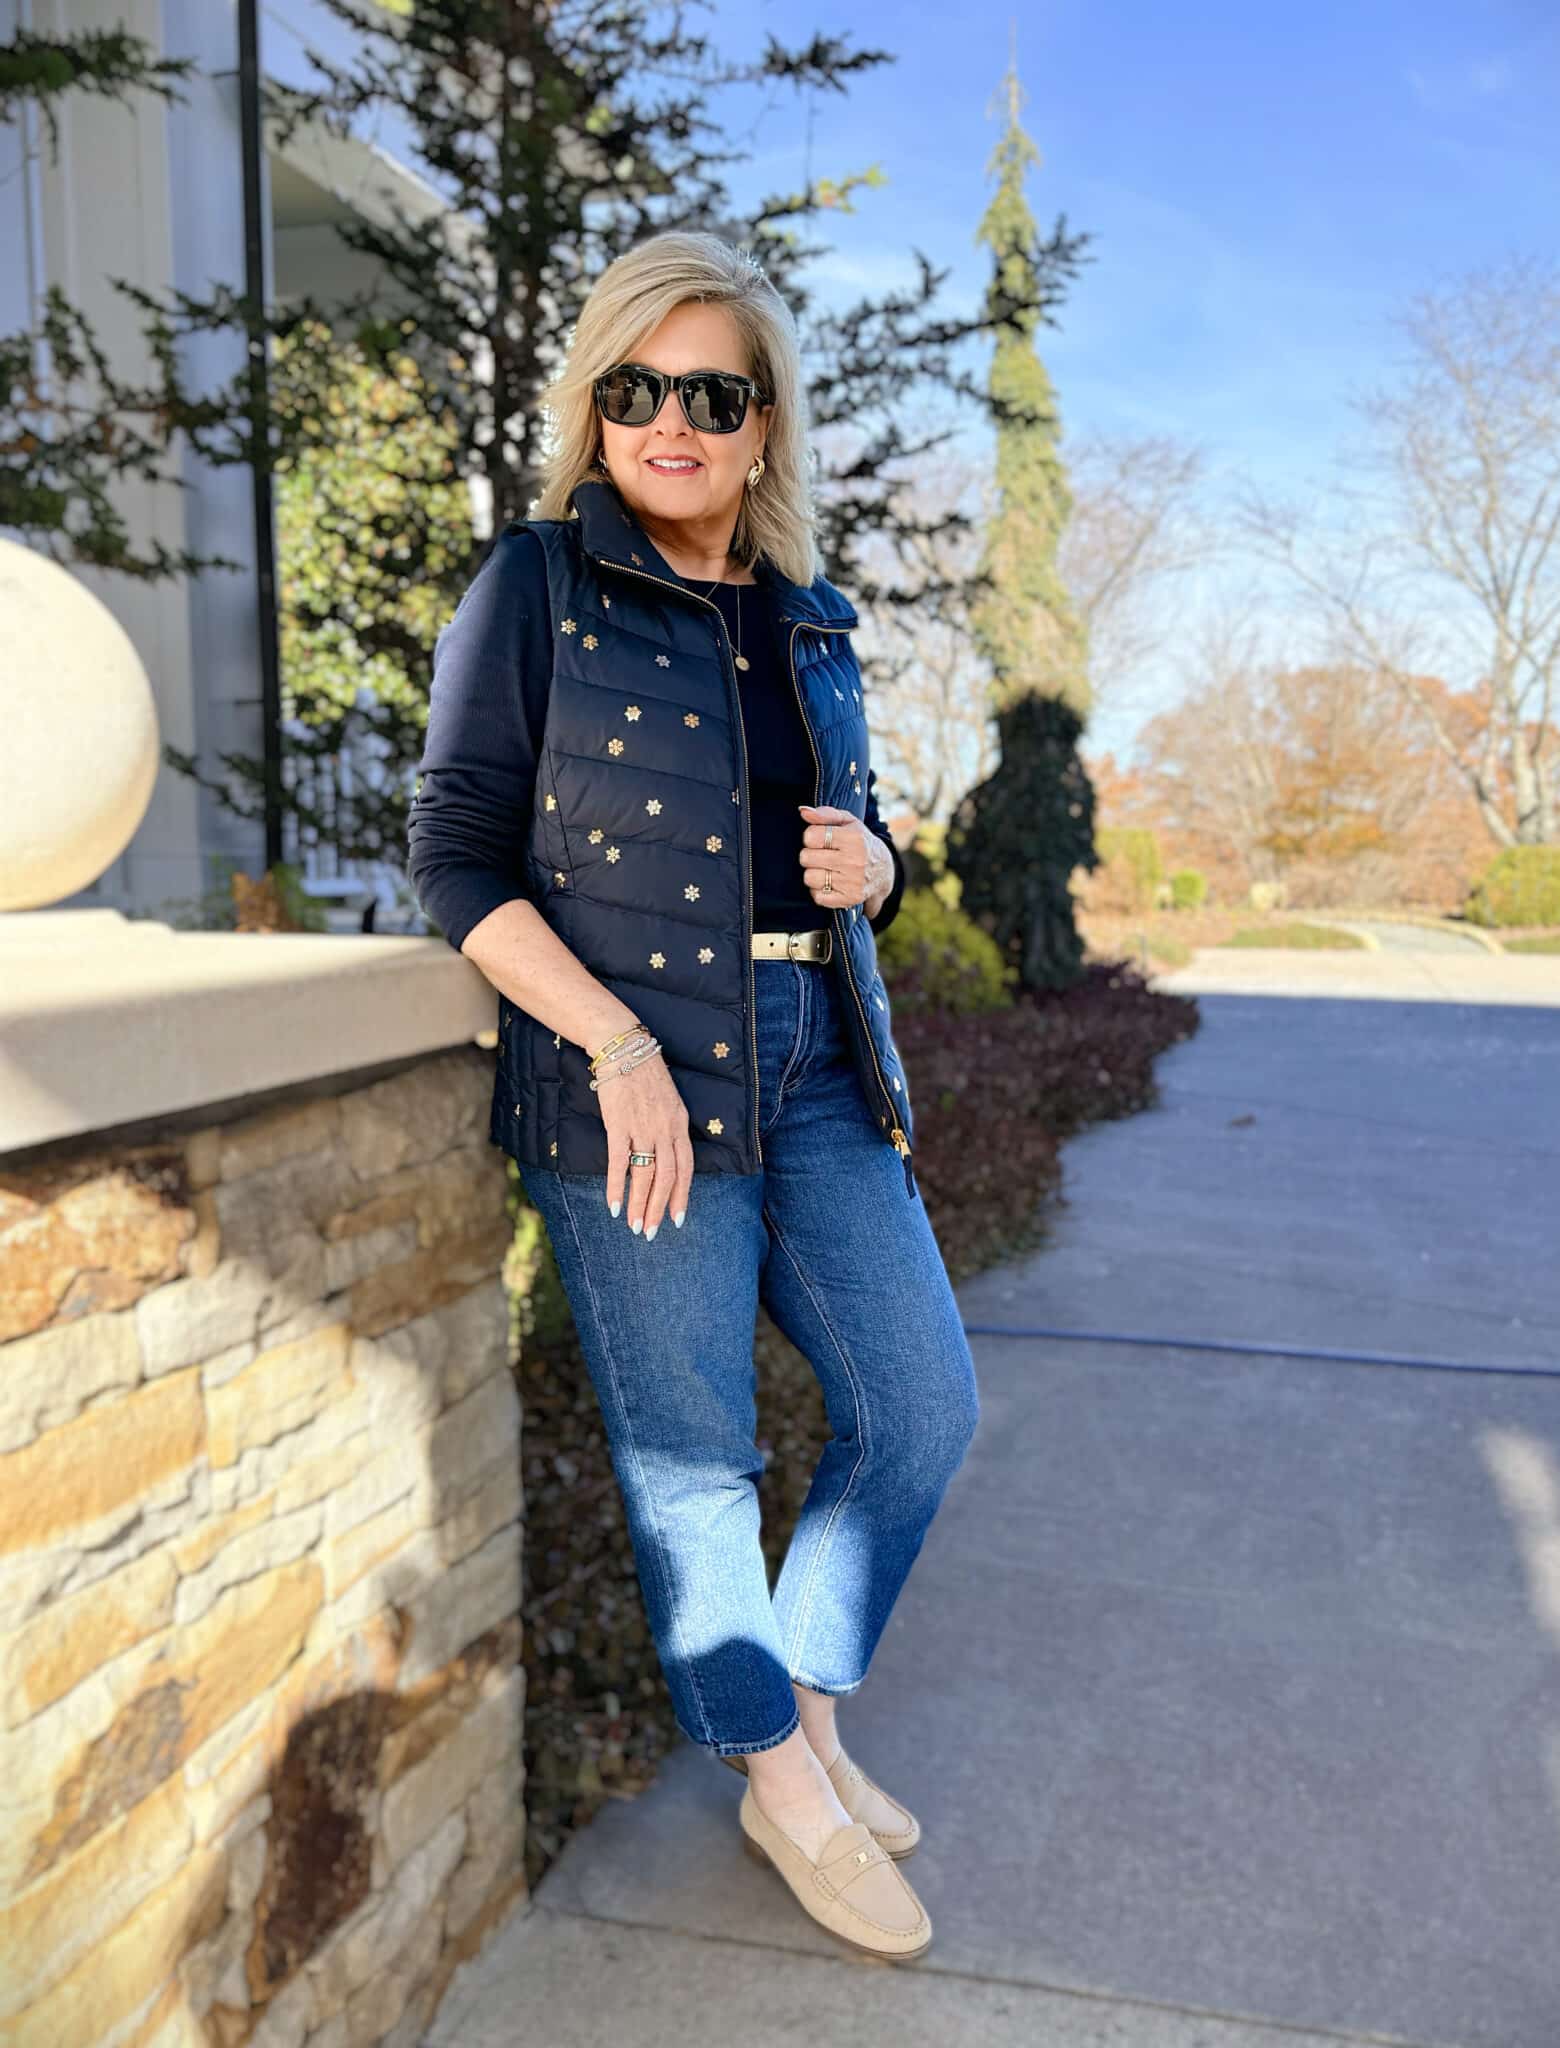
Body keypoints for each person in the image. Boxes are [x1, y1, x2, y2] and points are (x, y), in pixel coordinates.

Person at [406, 229, 979, 1963]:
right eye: (635, 388)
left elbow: (841, 849)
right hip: (632, 1083)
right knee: (696, 1466)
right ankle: (785, 1785)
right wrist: (615, 1045)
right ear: (598, 409)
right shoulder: (537, 584)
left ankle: (791, 1723)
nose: (671, 420)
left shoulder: (811, 622)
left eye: (709, 394)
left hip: (813, 1066)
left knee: (921, 1408)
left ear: (759, 426)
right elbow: (454, 857)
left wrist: (873, 863)